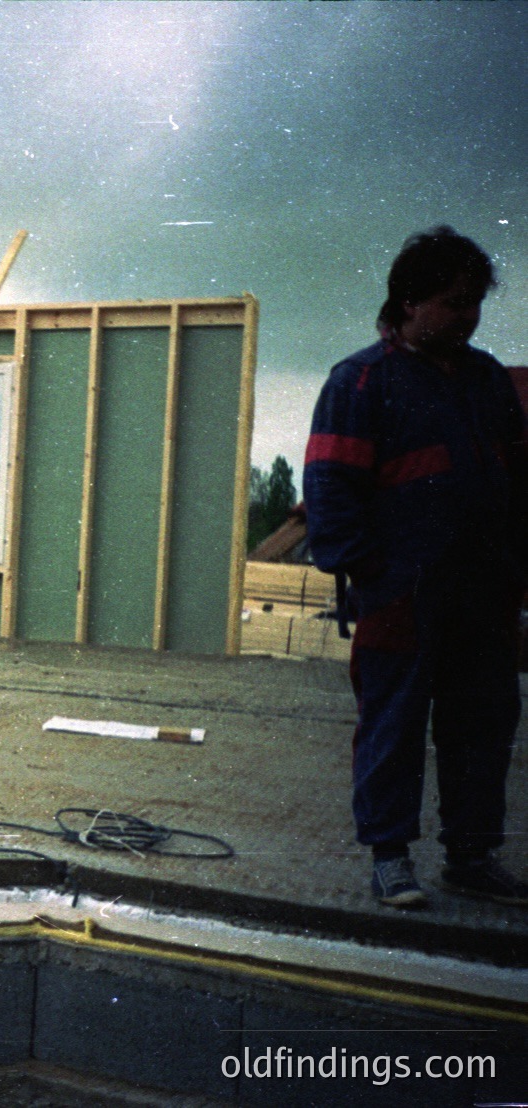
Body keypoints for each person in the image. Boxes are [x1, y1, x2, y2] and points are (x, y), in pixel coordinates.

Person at [303, 226, 528, 909]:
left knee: (484, 720)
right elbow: (330, 491)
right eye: (454, 302)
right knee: (394, 722)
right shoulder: (360, 382)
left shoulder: (488, 379)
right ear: (409, 303)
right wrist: (371, 574)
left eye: (474, 303)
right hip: (401, 592)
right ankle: (390, 856)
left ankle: (471, 854)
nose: (468, 315)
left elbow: (518, 480)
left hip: (484, 592)